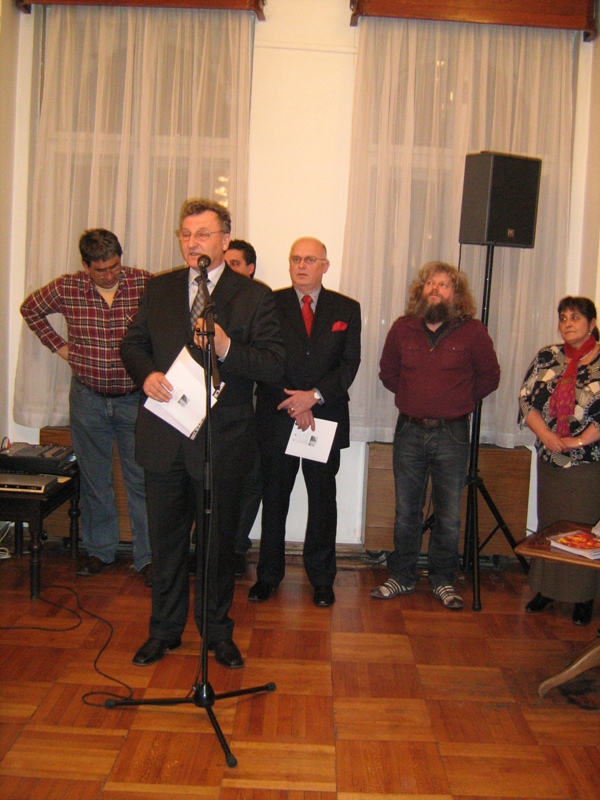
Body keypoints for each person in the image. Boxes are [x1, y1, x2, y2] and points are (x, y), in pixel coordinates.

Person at [120, 198, 284, 669]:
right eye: (186, 234)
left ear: (224, 240)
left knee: (217, 545)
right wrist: (146, 375)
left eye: (203, 234)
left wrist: (228, 346)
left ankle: (216, 631)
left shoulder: (254, 296)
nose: (193, 243)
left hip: (221, 442)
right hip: (164, 436)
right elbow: (133, 344)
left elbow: (274, 365)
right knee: (166, 543)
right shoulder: (160, 287)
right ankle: (164, 630)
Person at [20, 229, 153, 585]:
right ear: (86, 266)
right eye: (100, 270)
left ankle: (147, 557)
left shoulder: (144, 283)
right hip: (87, 399)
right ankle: (99, 551)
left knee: (140, 479)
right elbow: (30, 309)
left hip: (133, 398)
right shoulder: (68, 287)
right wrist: (60, 347)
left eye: (114, 267)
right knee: (95, 480)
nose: (109, 275)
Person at [371, 262, 500, 610]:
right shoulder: (402, 328)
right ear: (421, 290)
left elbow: (490, 377)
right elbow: (388, 373)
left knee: (449, 515)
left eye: (444, 285)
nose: (435, 289)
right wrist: (415, 398)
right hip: (409, 431)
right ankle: (402, 575)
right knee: (406, 511)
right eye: (430, 283)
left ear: (456, 295)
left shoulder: (472, 332)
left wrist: (458, 401)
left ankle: (443, 580)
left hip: (452, 434)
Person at [248, 237, 361, 608]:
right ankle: (268, 575)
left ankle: (322, 579)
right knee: (274, 499)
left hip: (323, 418)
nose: (301, 265)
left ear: (325, 266)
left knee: (323, 501)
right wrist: (295, 402)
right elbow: (262, 358)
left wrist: (313, 396)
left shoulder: (347, 308)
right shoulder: (269, 303)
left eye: (310, 259)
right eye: (295, 258)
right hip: (278, 415)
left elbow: (349, 365)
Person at [519, 296, 600, 626]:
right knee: (549, 525)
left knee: (582, 529)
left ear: (592, 324)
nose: (567, 323)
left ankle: (583, 597)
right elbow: (526, 400)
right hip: (550, 457)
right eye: (563, 318)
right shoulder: (547, 357)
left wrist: (576, 441)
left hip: (587, 462)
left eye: (575, 318)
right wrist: (548, 436)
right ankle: (546, 590)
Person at [224, 239, 262, 577]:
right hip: (218, 409)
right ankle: (205, 546)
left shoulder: (262, 302)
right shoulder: (208, 302)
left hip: (256, 410)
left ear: (250, 269)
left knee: (251, 482)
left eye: (235, 264)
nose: (228, 270)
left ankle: (236, 547)